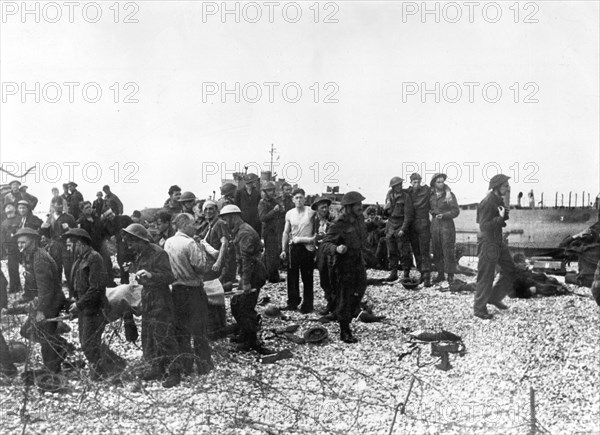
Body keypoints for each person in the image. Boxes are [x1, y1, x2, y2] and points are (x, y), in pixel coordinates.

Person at [122, 223, 181, 388]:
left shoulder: (158, 253)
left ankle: (175, 372)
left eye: (132, 242)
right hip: (148, 297)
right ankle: (157, 367)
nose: (130, 246)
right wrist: (133, 269)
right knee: (149, 336)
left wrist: (151, 275)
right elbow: (142, 275)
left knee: (164, 336)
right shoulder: (140, 253)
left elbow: (170, 277)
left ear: (140, 240)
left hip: (160, 299)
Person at [164, 214, 213, 375]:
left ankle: (186, 364)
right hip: (193, 290)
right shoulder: (190, 243)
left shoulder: (168, 242)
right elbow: (201, 266)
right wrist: (202, 250)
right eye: (193, 224)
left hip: (176, 291)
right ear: (184, 225)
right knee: (199, 329)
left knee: (181, 330)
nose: (196, 227)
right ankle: (203, 364)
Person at [219, 205, 270, 353]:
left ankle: (250, 340)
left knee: (244, 308)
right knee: (237, 305)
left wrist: (246, 282)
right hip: (248, 273)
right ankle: (244, 333)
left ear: (233, 217)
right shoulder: (240, 231)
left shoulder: (245, 233)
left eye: (226, 219)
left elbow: (247, 260)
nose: (225, 222)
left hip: (253, 274)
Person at [16, 228, 66, 372]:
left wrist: (41, 311)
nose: (20, 245)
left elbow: (46, 289)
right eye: (18, 243)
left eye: (23, 242)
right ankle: (60, 345)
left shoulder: (39, 259)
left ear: (32, 242)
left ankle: (52, 371)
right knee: (27, 330)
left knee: (44, 334)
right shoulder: (29, 255)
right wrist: (24, 298)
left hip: (51, 302)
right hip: (43, 300)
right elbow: (31, 283)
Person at [321, 191, 368, 343]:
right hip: (344, 264)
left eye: (361, 204)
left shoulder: (360, 219)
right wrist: (337, 249)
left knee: (359, 291)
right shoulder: (340, 223)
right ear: (349, 207)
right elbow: (325, 244)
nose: (361, 207)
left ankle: (343, 315)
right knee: (345, 296)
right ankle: (344, 330)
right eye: (358, 204)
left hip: (358, 261)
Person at [64, 228, 109, 380]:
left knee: (89, 343)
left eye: (71, 245)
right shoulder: (79, 260)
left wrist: (79, 305)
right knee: (86, 342)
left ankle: (102, 371)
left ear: (81, 244)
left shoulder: (95, 258)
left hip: (94, 308)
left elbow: (96, 288)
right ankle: (103, 367)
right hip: (84, 307)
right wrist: (74, 303)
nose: (68, 249)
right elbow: (77, 286)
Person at [474, 174, 516, 320]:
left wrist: (503, 216)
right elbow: (484, 226)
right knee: (486, 275)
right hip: (488, 243)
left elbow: (500, 219)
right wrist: (500, 218)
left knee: (510, 269)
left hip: (498, 240)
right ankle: (479, 309)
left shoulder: (498, 199)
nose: (508, 188)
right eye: (505, 185)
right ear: (497, 187)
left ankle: (494, 297)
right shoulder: (487, 202)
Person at [280, 188, 316, 313]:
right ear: (293, 199)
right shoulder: (289, 213)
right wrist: (283, 249)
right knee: (292, 276)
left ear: (305, 198)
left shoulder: (311, 212)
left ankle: (308, 304)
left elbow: (317, 229)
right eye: (296, 198)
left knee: (307, 276)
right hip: (294, 247)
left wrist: (312, 241)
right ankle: (293, 302)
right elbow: (285, 232)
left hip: (307, 247)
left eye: (301, 197)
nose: (299, 200)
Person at [429, 173, 460, 284]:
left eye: (442, 182)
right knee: (437, 250)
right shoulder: (431, 195)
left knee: (448, 251)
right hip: (435, 225)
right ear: (434, 183)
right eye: (438, 182)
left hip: (447, 226)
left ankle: (450, 275)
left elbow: (456, 211)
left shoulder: (449, 195)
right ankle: (440, 274)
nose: (441, 184)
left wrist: (445, 215)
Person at [44, 197, 76, 297]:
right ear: (53, 205)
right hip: (54, 246)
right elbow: (47, 235)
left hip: (66, 245)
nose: (59, 206)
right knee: (56, 270)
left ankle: (72, 294)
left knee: (69, 269)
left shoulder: (69, 217)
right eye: (56, 204)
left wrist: (69, 229)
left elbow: (76, 232)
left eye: (61, 204)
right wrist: (44, 230)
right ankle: (58, 296)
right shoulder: (50, 218)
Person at [383, 177, 414, 281]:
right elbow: (385, 214)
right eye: (397, 185)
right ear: (393, 187)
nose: (399, 187)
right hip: (390, 225)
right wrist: (385, 208)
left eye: (400, 185)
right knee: (391, 251)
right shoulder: (389, 195)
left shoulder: (406, 197)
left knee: (404, 251)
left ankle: (406, 273)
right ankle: (393, 273)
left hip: (401, 224)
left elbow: (408, 216)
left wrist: (403, 229)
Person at [407, 173, 432, 287]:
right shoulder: (408, 192)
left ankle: (427, 276)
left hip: (423, 222)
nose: (416, 184)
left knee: (424, 250)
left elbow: (442, 186)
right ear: (411, 182)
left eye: (418, 181)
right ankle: (421, 273)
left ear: (421, 181)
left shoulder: (426, 190)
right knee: (416, 250)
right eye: (414, 182)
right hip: (412, 225)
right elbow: (394, 191)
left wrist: (447, 191)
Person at [197, 200, 230, 282]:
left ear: (216, 210)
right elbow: (200, 237)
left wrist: (218, 262)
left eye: (211, 209)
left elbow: (224, 243)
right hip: (211, 262)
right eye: (206, 209)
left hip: (219, 263)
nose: (208, 211)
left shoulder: (219, 223)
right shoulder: (209, 225)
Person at [311, 196, 334, 315]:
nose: (325, 210)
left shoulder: (332, 220)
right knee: (323, 276)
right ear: (317, 209)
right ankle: (329, 301)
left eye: (326, 207)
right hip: (319, 251)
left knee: (332, 276)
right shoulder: (313, 221)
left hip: (330, 251)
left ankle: (333, 303)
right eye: (322, 207)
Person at [258, 182, 284, 283]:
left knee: (270, 254)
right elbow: (262, 218)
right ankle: (273, 277)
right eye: (269, 190)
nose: (272, 192)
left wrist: (280, 209)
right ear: (265, 192)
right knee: (272, 254)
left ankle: (265, 274)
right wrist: (274, 210)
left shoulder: (273, 201)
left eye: (272, 190)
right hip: (268, 231)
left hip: (275, 230)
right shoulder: (262, 203)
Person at [1, 203, 21, 293]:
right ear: (5, 211)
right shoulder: (4, 223)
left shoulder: (20, 219)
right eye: (6, 207)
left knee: (28, 266)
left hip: (22, 245)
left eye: (10, 205)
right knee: (12, 267)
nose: (8, 207)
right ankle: (15, 287)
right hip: (11, 247)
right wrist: (5, 248)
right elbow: (2, 237)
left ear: (15, 209)